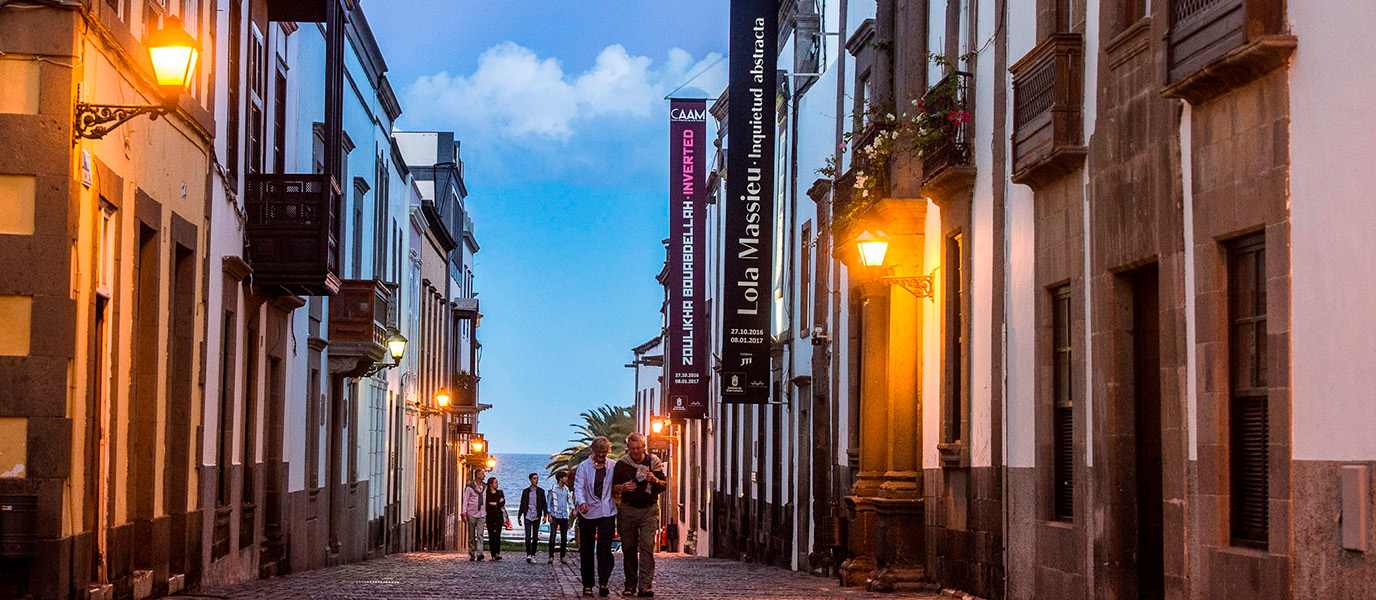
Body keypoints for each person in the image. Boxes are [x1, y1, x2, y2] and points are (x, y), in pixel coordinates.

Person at [612, 432, 667, 598]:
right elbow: (612, 488)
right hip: (628, 510)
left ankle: (645, 586)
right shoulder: (621, 465)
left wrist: (654, 480)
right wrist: (623, 488)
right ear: (627, 448)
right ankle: (630, 585)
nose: (635, 452)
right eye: (632, 448)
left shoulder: (653, 462)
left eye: (638, 448)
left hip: (649, 510)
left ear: (644, 447)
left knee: (646, 546)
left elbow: (663, 485)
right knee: (628, 548)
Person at [574, 436, 617, 597]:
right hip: (588, 512)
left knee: (604, 548)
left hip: (607, 511)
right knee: (586, 549)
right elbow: (578, 486)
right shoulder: (584, 467)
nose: (601, 456)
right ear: (593, 450)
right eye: (599, 452)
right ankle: (587, 584)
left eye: (604, 453)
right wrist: (582, 502)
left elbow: (617, 482)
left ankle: (604, 581)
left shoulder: (612, 465)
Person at [518, 472, 548, 563]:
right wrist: (519, 516)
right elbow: (522, 503)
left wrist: (545, 515)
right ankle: (528, 554)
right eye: (534, 478)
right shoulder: (525, 491)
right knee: (527, 535)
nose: (536, 480)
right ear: (530, 480)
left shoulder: (541, 491)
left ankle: (533, 554)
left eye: (537, 478)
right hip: (527, 514)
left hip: (536, 515)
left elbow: (544, 504)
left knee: (535, 536)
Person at [547, 470, 573, 564]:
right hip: (555, 515)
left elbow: (569, 500)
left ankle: (563, 556)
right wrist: (549, 515)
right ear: (560, 478)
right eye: (565, 477)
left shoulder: (566, 489)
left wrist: (572, 509)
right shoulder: (553, 489)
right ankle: (551, 556)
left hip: (564, 515)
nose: (566, 479)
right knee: (553, 535)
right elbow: (549, 502)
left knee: (564, 537)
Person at [462, 468, 487, 561]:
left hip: (482, 513)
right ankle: (472, 553)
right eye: (482, 474)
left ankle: (480, 553)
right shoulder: (469, 487)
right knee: (471, 535)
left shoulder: (485, 487)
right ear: (477, 475)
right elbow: (465, 501)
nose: (484, 475)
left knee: (480, 534)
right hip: (471, 513)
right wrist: (464, 513)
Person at [484, 476, 508, 561]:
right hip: (490, 517)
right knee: (491, 535)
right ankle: (493, 554)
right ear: (491, 484)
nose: (497, 484)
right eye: (495, 482)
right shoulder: (487, 494)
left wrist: (495, 504)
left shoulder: (500, 492)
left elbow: (502, 503)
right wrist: (497, 503)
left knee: (497, 535)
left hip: (498, 517)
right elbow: (487, 504)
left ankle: (497, 553)